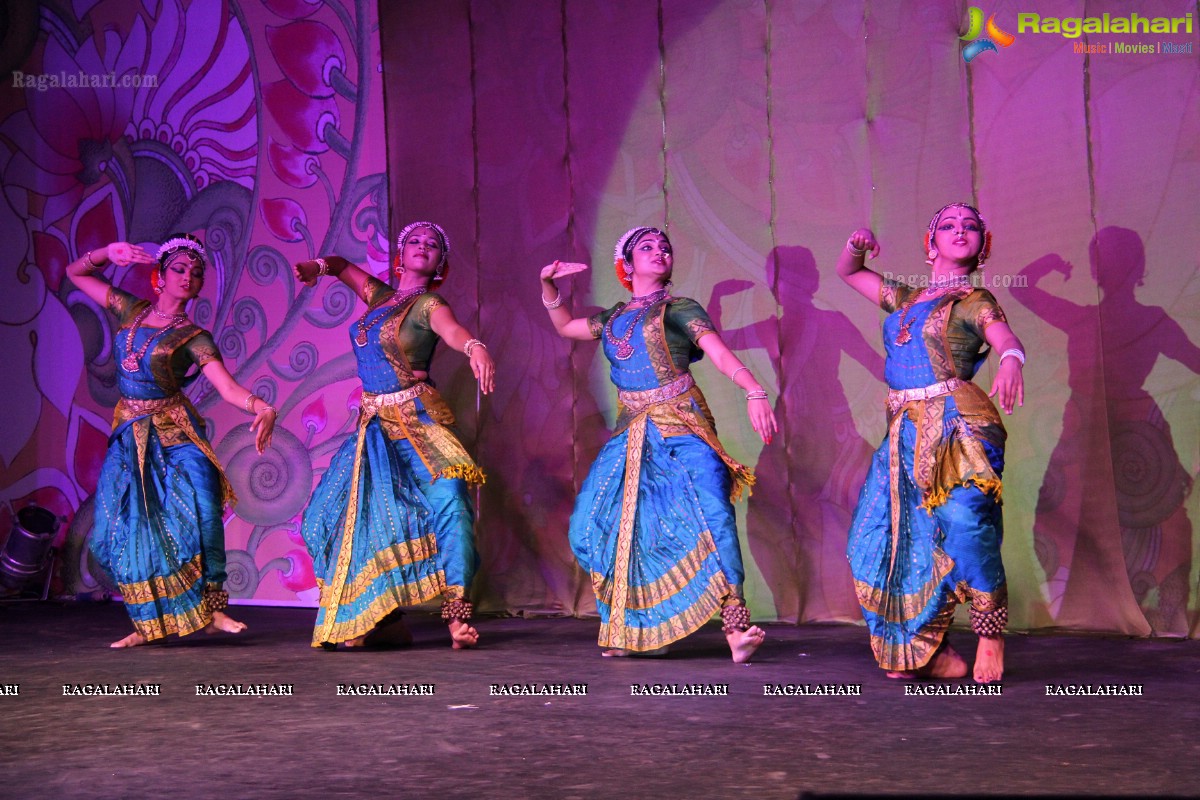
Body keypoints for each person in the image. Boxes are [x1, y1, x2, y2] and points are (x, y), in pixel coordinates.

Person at [540, 226, 776, 662]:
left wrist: (753, 389)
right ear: (626, 266)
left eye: (665, 247)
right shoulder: (612, 317)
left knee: (711, 514)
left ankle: (736, 628)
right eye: (646, 247)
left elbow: (718, 351)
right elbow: (567, 327)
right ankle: (640, 628)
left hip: (681, 423)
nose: (660, 251)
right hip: (632, 431)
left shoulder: (679, 308)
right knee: (594, 523)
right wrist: (548, 284)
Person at [837, 203, 1024, 683]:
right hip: (903, 432)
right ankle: (924, 649)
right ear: (930, 241)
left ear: (984, 243)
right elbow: (850, 272)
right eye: (949, 225)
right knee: (883, 539)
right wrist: (856, 245)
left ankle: (989, 634)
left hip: (958, 426)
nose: (960, 231)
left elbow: (1001, 334)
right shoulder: (903, 297)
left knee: (963, 523)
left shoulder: (976, 299)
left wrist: (1011, 359)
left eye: (971, 226)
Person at [67, 235, 276, 648]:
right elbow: (76, 273)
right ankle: (149, 622)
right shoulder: (131, 309)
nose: (188, 277)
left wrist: (261, 407)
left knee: (204, 508)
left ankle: (212, 606)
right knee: (126, 526)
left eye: (196, 273)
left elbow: (229, 388)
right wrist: (108, 252)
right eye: (179, 269)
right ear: (158, 276)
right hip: (131, 434)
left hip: (175, 431)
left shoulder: (195, 337)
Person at [293, 221, 494, 650]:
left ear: (441, 263)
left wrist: (473, 345)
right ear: (400, 256)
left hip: (418, 421)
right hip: (374, 428)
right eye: (415, 242)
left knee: (450, 501)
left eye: (433, 245)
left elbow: (452, 329)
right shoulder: (378, 296)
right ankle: (380, 617)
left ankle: (457, 613)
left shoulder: (428, 304)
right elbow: (342, 265)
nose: (424, 247)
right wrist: (317, 266)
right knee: (329, 518)